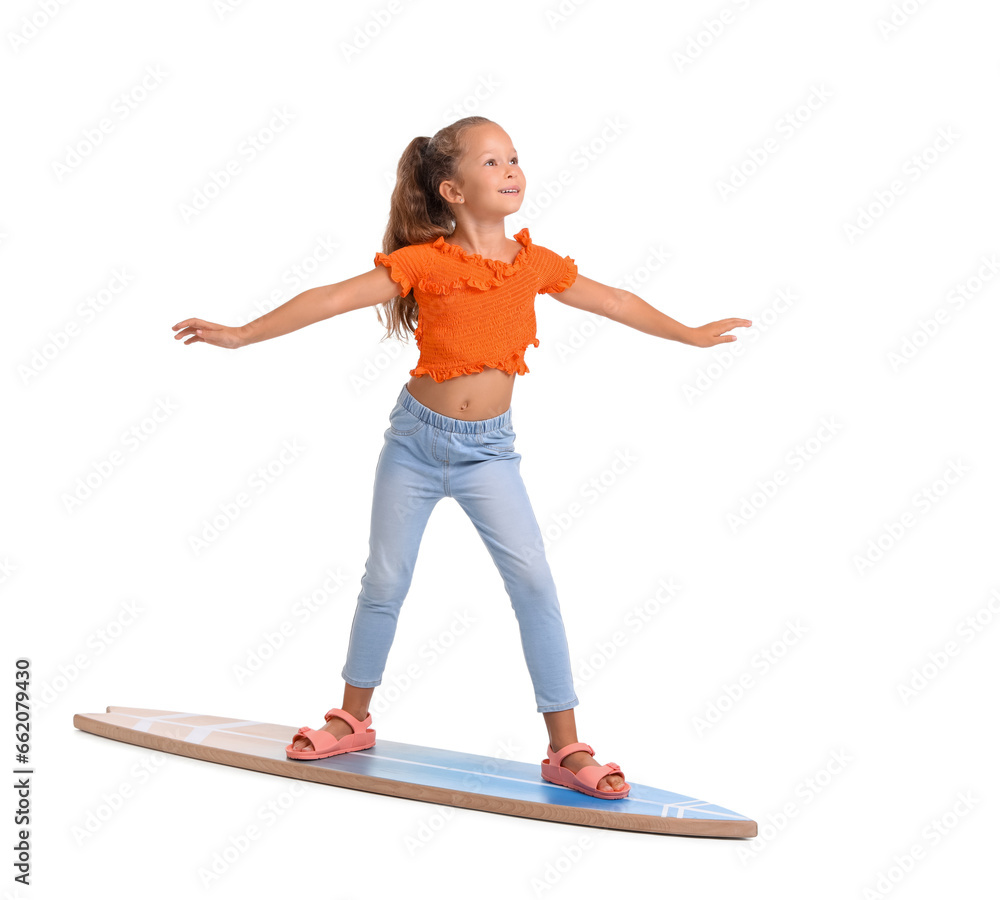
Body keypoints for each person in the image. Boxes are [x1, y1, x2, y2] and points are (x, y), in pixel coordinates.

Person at [172, 115, 750, 799]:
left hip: (489, 456)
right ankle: (351, 718)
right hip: (415, 445)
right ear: (451, 188)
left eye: (514, 159)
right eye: (491, 162)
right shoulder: (425, 262)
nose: (510, 170)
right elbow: (331, 298)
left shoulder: (533, 264)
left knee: (533, 582)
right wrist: (241, 334)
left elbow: (616, 300)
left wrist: (688, 335)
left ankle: (566, 748)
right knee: (385, 580)